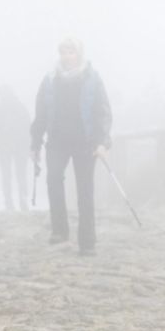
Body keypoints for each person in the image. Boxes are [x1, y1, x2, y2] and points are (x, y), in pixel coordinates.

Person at [30, 37, 112, 256]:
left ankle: (87, 242)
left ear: (79, 54)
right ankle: (59, 231)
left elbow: (103, 111)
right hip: (57, 140)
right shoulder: (50, 79)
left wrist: (103, 142)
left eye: (71, 52)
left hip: (85, 142)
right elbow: (41, 112)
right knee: (53, 179)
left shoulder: (92, 78)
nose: (66, 57)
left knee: (85, 189)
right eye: (63, 52)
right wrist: (35, 142)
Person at [0, 85, 32, 211]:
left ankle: (8, 201)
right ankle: (23, 199)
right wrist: (31, 147)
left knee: (6, 175)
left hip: (5, 147)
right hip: (20, 146)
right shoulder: (20, 107)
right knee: (21, 174)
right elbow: (28, 128)